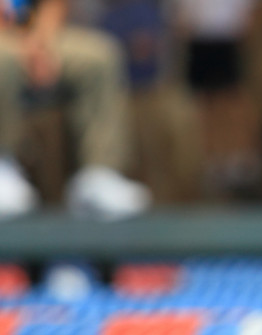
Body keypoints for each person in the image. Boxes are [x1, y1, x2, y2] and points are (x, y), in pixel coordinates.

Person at [0, 0, 150, 220]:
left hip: (29, 37)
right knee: (4, 61)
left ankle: (99, 173)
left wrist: (38, 45)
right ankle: (3, 164)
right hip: (6, 45)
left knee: (99, 57)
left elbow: (53, 4)